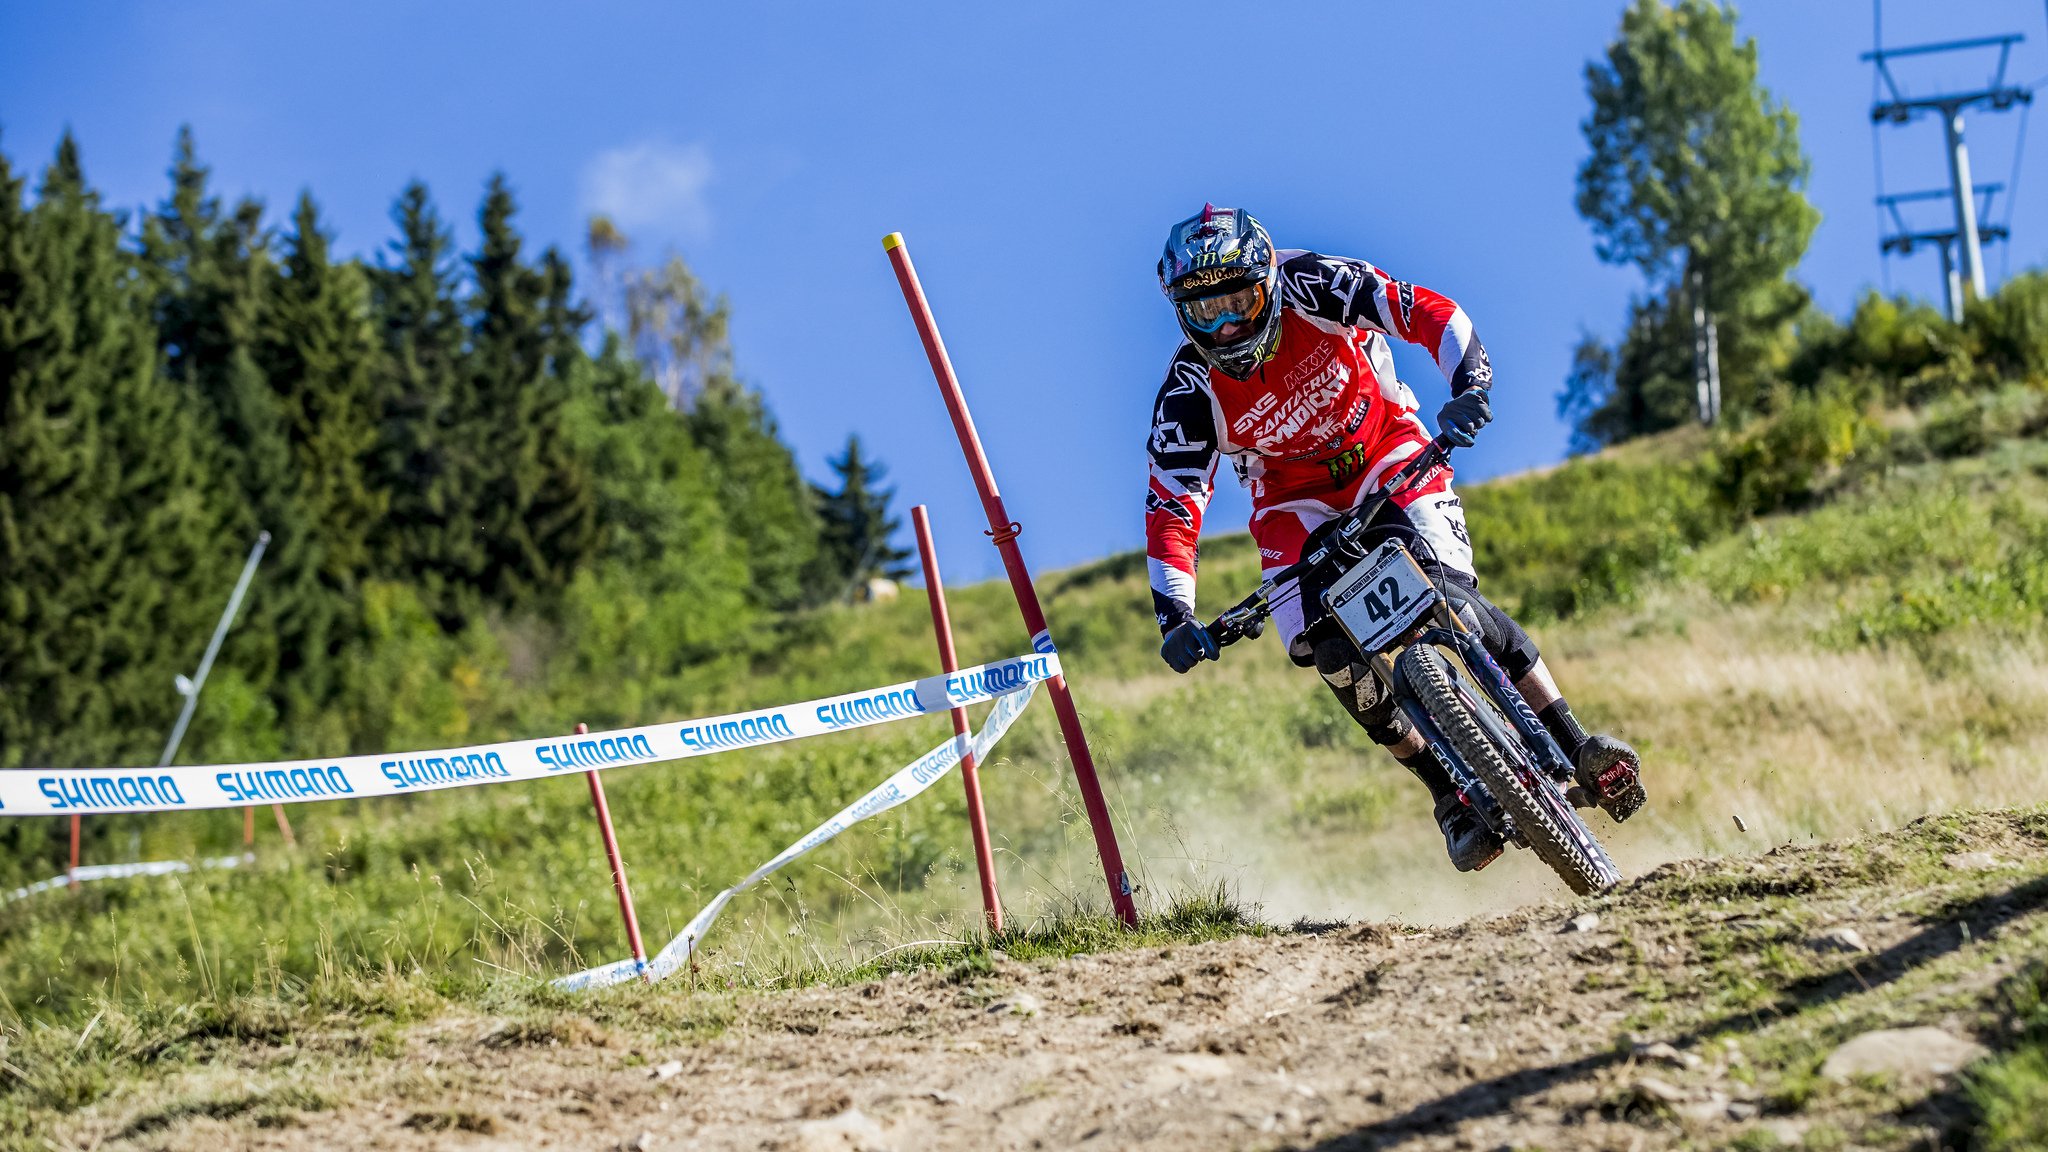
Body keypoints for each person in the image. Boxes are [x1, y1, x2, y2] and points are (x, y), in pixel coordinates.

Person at [1144, 204, 1645, 871]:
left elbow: (1424, 310)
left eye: (1239, 300)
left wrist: (1470, 383)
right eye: (1206, 312)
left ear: (1267, 279)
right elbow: (1173, 502)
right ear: (1183, 315)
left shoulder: (1315, 283)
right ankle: (1449, 798)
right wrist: (1175, 614)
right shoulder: (1188, 390)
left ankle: (1573, 738)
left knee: (1455, 597)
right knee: (1324, 648)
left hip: (1386, 450)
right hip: (1295, 506)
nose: (1228, 324)